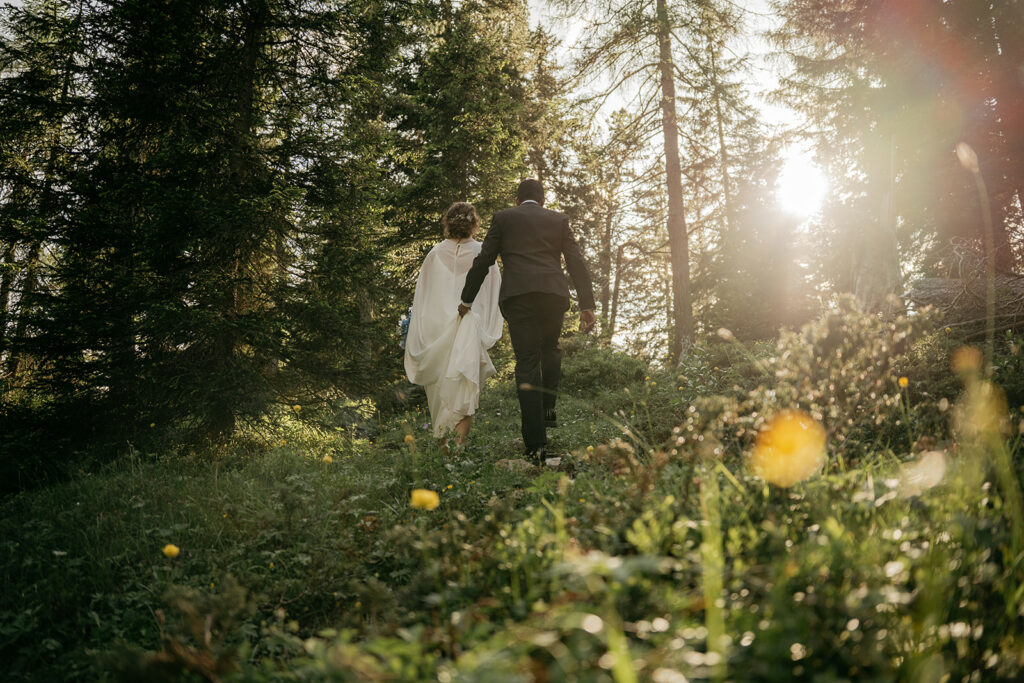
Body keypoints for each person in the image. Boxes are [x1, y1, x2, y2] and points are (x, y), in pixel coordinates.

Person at [459, 179, 595, 462]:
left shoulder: (504, 218)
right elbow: (575, 261)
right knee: (551, 347)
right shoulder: (558, 220)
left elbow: (484, 260)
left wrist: (467, 300)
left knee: (527, 362)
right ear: (542, 201)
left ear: (518, 200)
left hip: (519, 296)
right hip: (553, 295)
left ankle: (536, 444)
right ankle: (549, 407)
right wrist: (587, 305)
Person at [404, 202, 503, 448]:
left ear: (448, 223)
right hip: (468, 327)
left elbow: (423, 298)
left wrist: (423, 332)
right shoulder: (484, 253)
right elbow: (494, 294)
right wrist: (485, 327)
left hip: (438, 331)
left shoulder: (434, 254)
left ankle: (443, 450)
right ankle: (457, 451)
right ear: (474, 223)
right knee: (464, 388)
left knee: (439, 388)